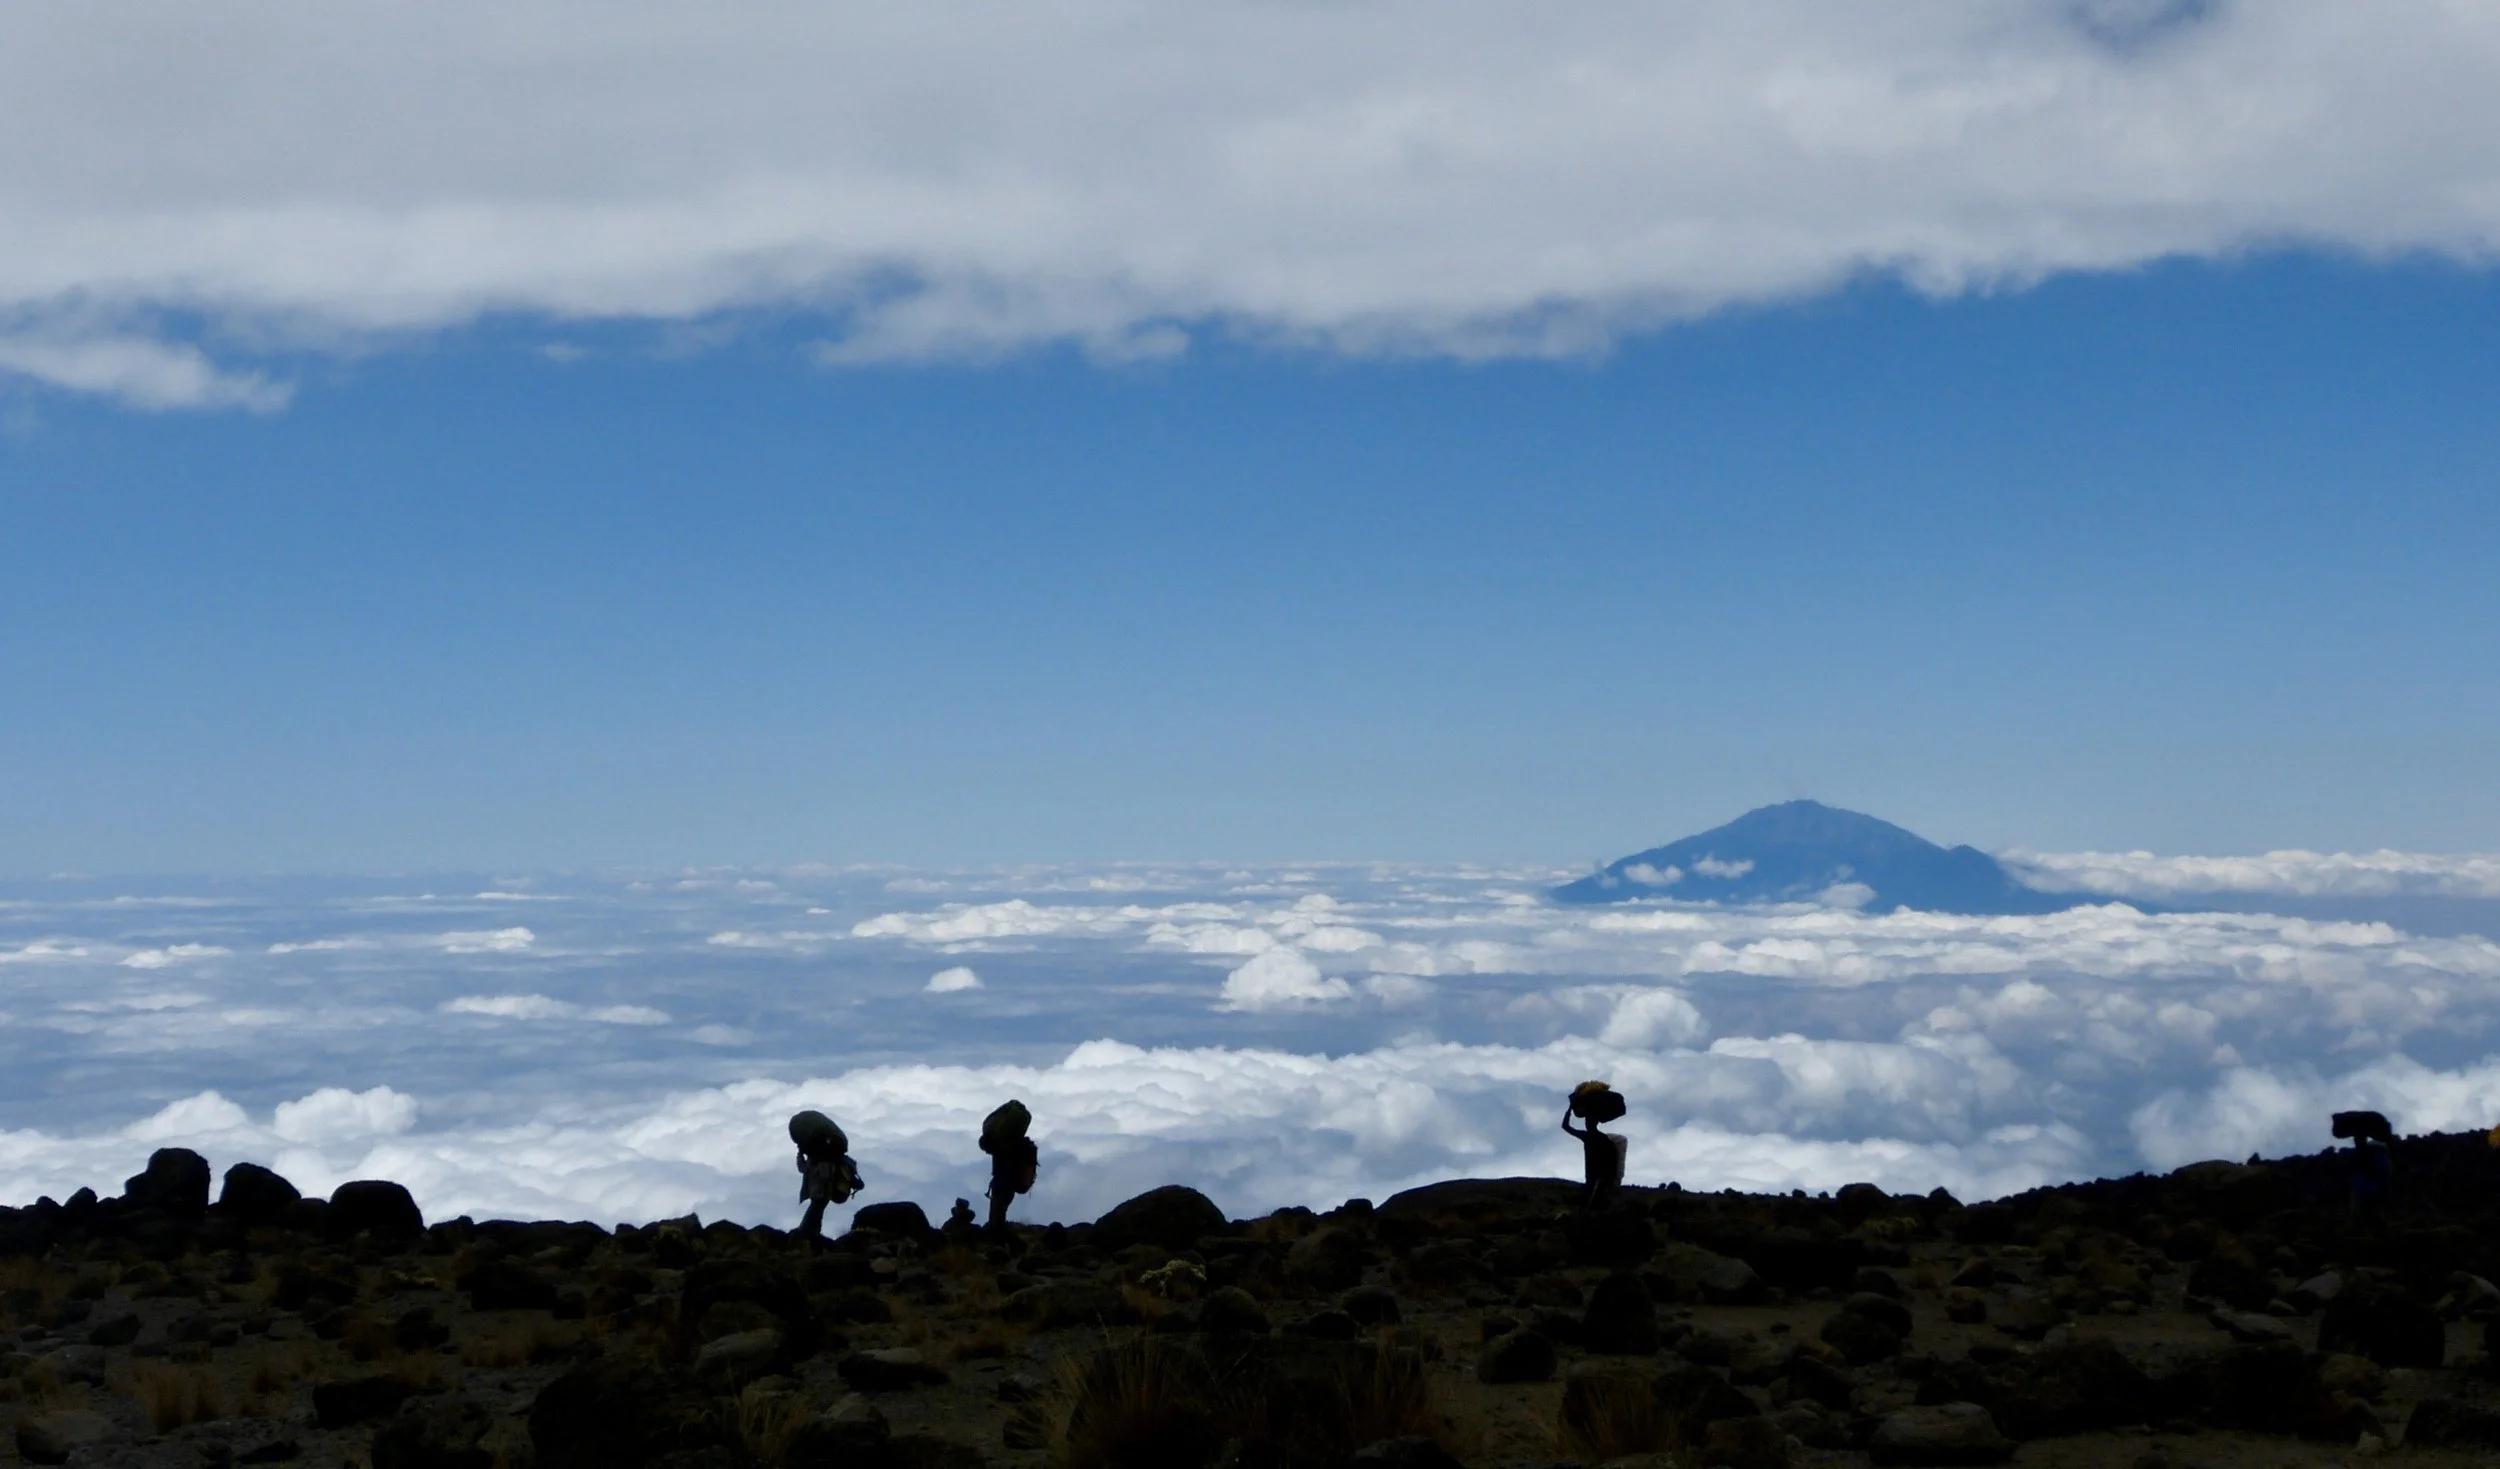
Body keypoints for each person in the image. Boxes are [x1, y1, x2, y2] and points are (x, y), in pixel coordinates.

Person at [789, 1109, 862, 1240]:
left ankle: (809, 1231)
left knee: (818, 1205)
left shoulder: (816, 1159)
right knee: (818, 1205)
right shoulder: (829, 1159)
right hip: (822, 1181)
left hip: (819, 1181)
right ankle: (807, 1231)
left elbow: (803, 1168)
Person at [1561, 1081, 1627, 1210]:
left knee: (1595, 1194)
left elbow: (1566, 1126)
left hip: (1599, 1174)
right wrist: (1570, 1107)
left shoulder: (1593, 1137)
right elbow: (1565, 1126)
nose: (1587, 1122)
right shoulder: (1596, 1137)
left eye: (1589, 1120)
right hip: (1597, 1175)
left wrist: (1570, 1107)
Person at [979, 1099, 1039, 1234]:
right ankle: (998, 1232)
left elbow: (1002, 1175)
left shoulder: (1001, 1147)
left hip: (1003, 1181)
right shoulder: (1008, 1144)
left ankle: (998, 1235)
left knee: (998, 1211)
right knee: (1000, 1210)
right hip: (1007, 1182)